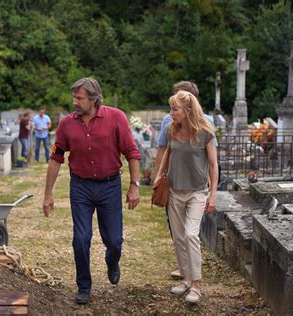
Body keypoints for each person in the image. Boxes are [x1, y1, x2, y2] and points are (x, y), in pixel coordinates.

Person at [42, 77, 141, 305]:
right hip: (81, 187)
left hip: (109, 186)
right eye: (74, 97)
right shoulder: (66, 124)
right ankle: (83, 286)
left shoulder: (116, 117)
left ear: (94, 99)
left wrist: (134, 186)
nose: (75, 102)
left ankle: (112, 261)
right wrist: (48, 193)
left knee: (114, 241)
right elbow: (56, 158)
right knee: (81, 239)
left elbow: (132, 153)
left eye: (80, 98)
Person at [154, 90, 218, 304]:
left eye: (175, 109)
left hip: (197, 192)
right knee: (179, 237)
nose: (171, 113)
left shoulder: (205, 132)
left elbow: (213, 164)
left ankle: (197, 285)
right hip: (174, 191)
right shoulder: (172, 129)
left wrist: (213, 195)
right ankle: (186, 279)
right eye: (171, 109)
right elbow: (167, 154)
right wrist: (159, 175)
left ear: (188, 110)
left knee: (191, 235)